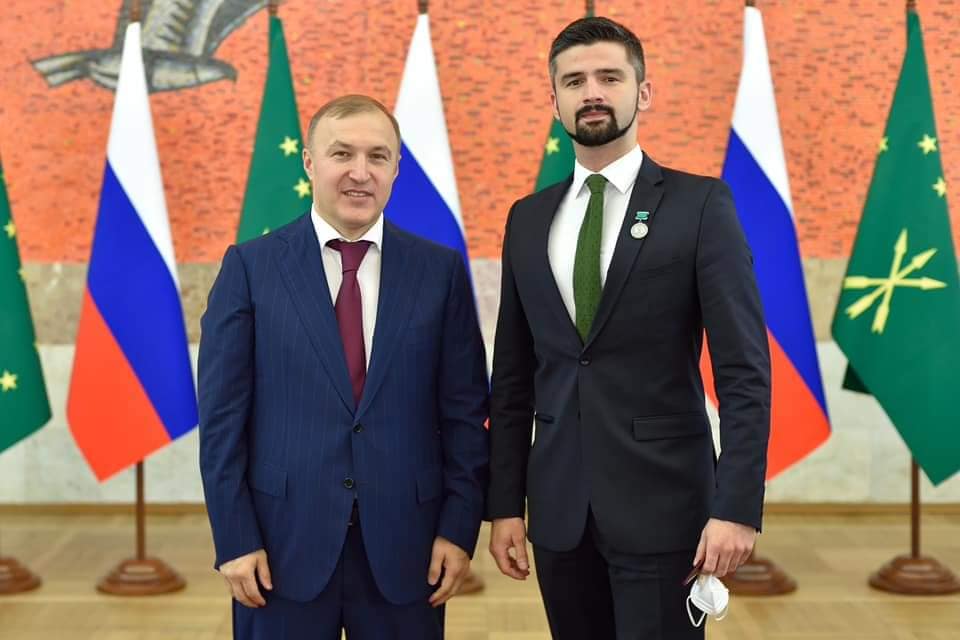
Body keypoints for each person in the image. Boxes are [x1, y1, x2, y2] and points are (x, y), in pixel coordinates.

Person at [487, 17, 771, 639]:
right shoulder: (527, 219)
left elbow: (744, 372)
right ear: (554, 100)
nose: (592, 92)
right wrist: (504, 504)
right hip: (559, 512)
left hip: (667, 510)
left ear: (642, 93)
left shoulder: (701, 206)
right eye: (574, 81)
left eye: (609, 77)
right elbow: (511, 378)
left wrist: (737, 507)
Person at [199, 94, 489, 639]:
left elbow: (465, 415)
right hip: (279, 550)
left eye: (378, 156)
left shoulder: (439, 271)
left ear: (396, 168)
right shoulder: (251, 268)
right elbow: (221, 421)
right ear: (310, 163)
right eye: (342, 154)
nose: (360, 172)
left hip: (409, 548)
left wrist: (458, 528)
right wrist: (235, 538)